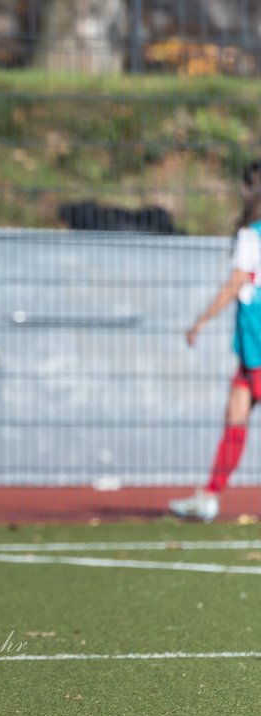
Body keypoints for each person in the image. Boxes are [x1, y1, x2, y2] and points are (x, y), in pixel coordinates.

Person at [170, 158, 261, 523]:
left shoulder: (251, 236)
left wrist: (200, 321)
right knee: (234, 418)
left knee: (236, 417)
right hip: (249, 349)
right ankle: (209, 496)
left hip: (257, 342)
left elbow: (235, 283)